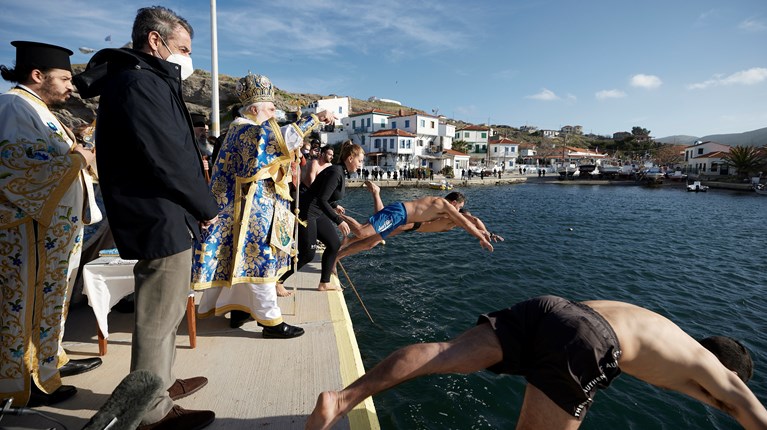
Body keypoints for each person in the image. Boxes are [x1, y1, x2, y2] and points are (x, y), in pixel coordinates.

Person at [306, 295, 767, 430]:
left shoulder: (669, 332)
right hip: (591, 340)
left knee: (446, 353)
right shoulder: (712, 370)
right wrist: (735, 399)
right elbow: (753, 413)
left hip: (557, 308)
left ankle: (340, 399)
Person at [74, 6, 219, 429]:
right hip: (160, 217)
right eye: (184, 48)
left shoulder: (143, 80)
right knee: (157, 320)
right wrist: (206, 207)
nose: (188, 58)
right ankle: (151, 413)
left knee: (168, 312)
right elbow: (168, 157)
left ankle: (160, 384)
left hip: (165, 215)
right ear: (155, 41)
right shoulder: (140, 83)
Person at [190, 72, 335, 336]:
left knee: (244, 263)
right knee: (261, 263)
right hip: (249, 212)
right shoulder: (246, 131)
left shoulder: (242, 130)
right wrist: (315, 118)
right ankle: (271, 322)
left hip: (250, 208)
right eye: (270, 109)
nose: (274, 114)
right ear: (254, 109)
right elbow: (275, 138)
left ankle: (240, 311)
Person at [0, 40, 102, 408]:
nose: (70, 86)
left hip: (53, 231)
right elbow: (16, 163)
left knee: (49, 301)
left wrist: (80, 150)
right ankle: (21, 382)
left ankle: (47, 365)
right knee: (24, 304)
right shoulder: (13, 105)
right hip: (29, 232)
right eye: (64, 78)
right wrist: (78, 157)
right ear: (37, 75)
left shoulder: (38, 108)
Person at [335, 183, 503, 263]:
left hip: (408, 224)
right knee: (364, 233)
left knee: (370, 242)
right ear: (453, 203)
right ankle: (336, 212)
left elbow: (473, 221)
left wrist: (486, 233)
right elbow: (470, 222)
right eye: (459, 207)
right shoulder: (444, 206)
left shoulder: (446, 214)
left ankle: (338, 255)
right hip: (402, 216)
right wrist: (482, 235)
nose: (459, 211)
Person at [278, 140, 365, 291]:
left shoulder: (340, 171)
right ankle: (278, 281)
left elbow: (322, 195)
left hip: (317, 210)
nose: (360, 164)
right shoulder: (336, 172)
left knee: (334, 244)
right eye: (360, 160)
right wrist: (338, 221)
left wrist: (334, 206)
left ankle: (324, 283)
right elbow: (321, 199)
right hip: (307, 211)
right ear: (350, 158)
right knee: (307, 254)